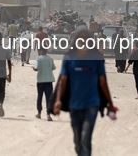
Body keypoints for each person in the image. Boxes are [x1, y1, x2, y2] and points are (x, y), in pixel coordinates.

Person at [54, 26, 116, 156]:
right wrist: (58, 100)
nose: (83, 40)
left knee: (85, 138)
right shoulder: (69, 57)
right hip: (74, 105)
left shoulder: (96, 57)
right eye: (80, 37)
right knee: (77, 141)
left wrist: (110, 104)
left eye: (85, 37)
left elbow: (103, 82)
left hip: (92, 104)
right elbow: (63, 81)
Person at [33, 48, 56, 121]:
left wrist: (34, 69)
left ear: (41, 51)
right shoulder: (50, 58)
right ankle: (48, 115)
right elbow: (53, 67)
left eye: (38, 51)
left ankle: (39, 113)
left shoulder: (39, 59)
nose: (38, 52)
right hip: (49, 81)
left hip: (40, 81)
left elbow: (36, 68)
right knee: (49, 98)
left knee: (40, 96)